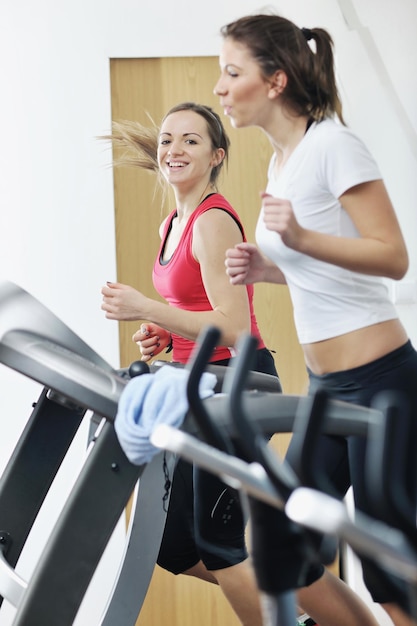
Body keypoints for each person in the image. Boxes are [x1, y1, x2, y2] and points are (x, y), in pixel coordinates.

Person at [214, 11, 417, 626]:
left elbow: (392, 257)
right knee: (278, 539)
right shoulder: (283, 162)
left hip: (382, 384)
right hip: (327, 390)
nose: (220, 88)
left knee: (391, 570)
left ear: (274, 81)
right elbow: (323, 268)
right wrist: (269, 267)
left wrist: (297, 238)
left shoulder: (333, 145)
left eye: (231, 72)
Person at [101, 102, 279, 626]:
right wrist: (163, 328)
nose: (173, 150)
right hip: (196, 386)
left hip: (240, 386)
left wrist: (146, 308)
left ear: (216, 155)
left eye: (190, 141)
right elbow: (195, 308)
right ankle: (299, 599)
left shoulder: (213, 221)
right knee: (174, 546)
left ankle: (291, 615)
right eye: (166, 140)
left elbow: (236, 327)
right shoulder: (171, 224)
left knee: (217, 541)